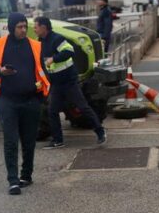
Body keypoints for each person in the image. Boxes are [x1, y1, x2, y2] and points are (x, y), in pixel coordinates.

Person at [0, 13, 50, 196]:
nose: (23, 30)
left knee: (29, 142)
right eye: (19, 26)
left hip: (31, 101)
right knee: (11, 141)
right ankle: (13, 181)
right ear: (12, 28)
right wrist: (0, 71)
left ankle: (26, 175)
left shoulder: (35, 46)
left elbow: (42, 71)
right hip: (7, 101)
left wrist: (41, 97)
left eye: (25, 26)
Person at [35, 16, 106, 149]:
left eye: (36, 26)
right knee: (52, 110)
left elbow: (69, 51)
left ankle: (100, 131)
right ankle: (58, 140)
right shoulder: (41, 41)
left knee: (82, 107)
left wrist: (53, 59)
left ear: (44, 27)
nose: (34, 29)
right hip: (56, 82)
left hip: (69, 81)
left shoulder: (57, 38)